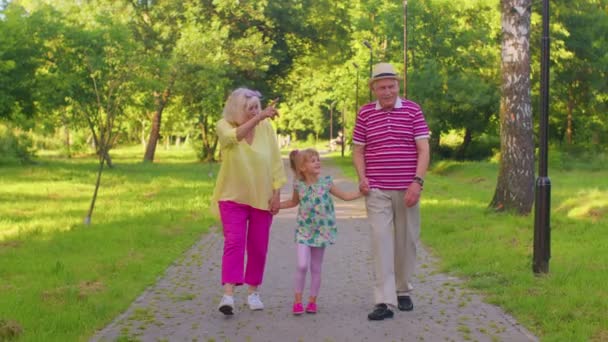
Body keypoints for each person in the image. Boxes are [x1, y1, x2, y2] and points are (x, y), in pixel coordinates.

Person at [352, 63, 431, 321]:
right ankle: (384, 301)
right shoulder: (364, 114)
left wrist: (417, 182)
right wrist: (363, 178)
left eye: (391, 86)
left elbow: (423, 149)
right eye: (382, 87)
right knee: (381, 241)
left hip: (407, 188)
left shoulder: (412, 110)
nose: (387, 91)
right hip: (377, 189)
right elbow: (358, 151)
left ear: (398, 86)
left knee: (406, 241)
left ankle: (403, 289)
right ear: (373, 88)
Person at [211, 87, 287, 315]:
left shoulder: (266, 129)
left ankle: (254, 292)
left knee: (258, 246)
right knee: (234, 242)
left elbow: (275, 161)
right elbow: (232, 138)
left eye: (257, 107)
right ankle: (228, 295)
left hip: (261, 197)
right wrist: (259, 118)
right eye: (249, 109)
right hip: (232, 196)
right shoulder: (224, 126)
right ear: (236, 110)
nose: (255, 112)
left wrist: (276, 192)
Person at [280, 148, 362, 315]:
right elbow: (293, 202)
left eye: (318, 159)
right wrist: (277, 206)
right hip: (303, 231)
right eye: (313, 160)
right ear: (302, 167)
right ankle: (297, 301)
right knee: (302, 265)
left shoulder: (326, 183)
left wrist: (363, 192)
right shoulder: (299, 185)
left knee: (316, 267)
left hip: (321, 232)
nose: (318, 162)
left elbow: (345, 196)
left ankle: (312, 301)